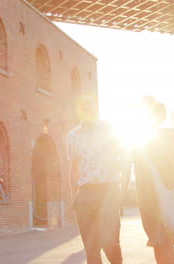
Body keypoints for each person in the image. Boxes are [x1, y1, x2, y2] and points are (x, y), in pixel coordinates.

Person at [127, 97, 174, 264]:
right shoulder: (138, 138)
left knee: (162, 241)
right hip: (150, 196)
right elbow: (124, 162)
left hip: (161, 194)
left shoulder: (167, 135)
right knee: (159, 242)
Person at [67, 94, 124, 264]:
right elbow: (73, 168)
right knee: (91, 251)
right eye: (83, 105)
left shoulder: (110, 129)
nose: (87, 107)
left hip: (108, 191)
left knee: (110, 244)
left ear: (96, 107)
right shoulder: (72, 136)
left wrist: (122, 189)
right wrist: (73, 198)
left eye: (90, 104)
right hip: (85, 194)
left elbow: (125, 158)